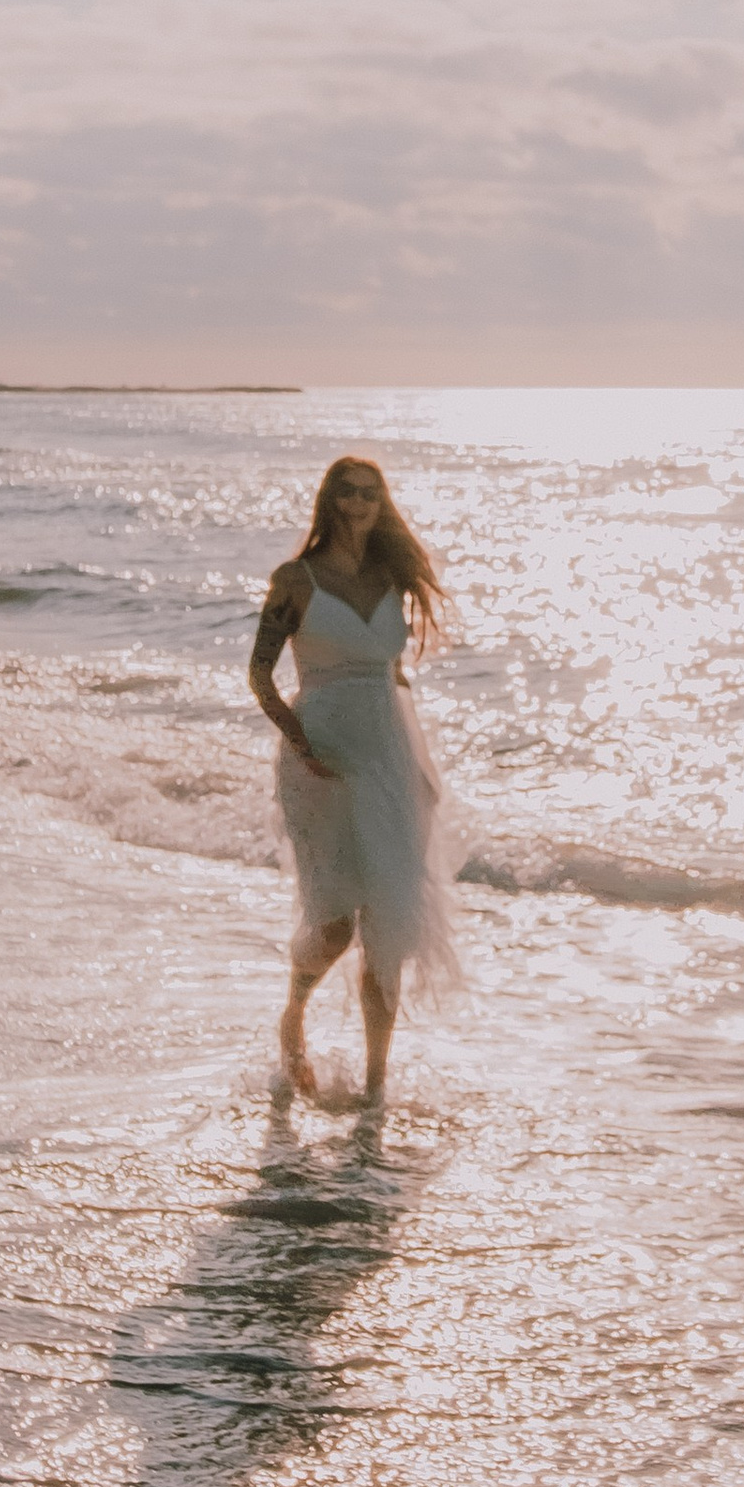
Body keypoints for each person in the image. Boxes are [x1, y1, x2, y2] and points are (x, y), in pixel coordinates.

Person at [249, 455, 459, 1104]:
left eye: (372, 494)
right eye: (349, 493)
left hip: (390, 757)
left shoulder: (392, 577)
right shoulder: (296, 580)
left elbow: (388, 673)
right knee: (336, 922)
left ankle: (374, 1095)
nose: (361, 504)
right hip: (322, 758)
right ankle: (294, 1013)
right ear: (331, 501)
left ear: (381, 503)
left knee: (390, 921)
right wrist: (300, 741)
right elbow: (260, 676)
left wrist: (416, 760)